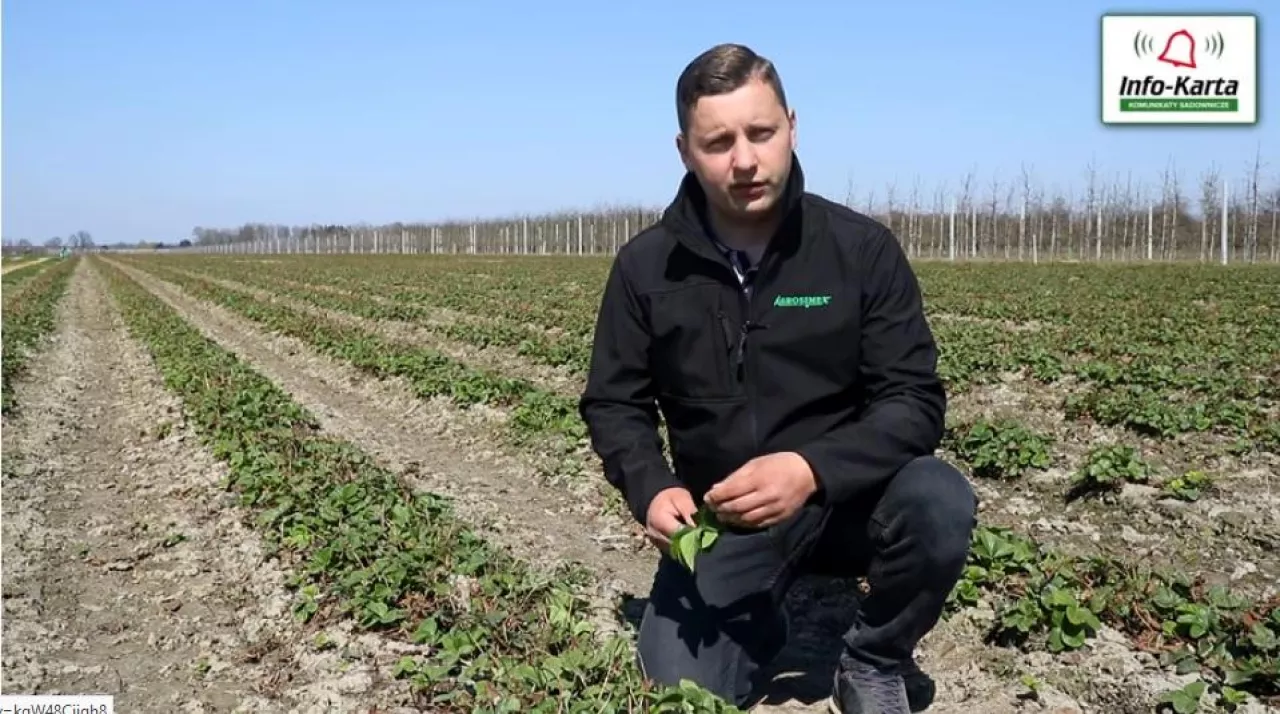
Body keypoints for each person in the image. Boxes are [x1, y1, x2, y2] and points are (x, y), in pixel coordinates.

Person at [578, 43, 978, 714]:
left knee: (937, 501)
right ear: (684, 150)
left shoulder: (859, 251)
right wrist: (650, 486)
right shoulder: (647, 268)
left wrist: (810, 468)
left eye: (761, 133)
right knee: (681, 690)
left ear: (792, 125)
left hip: (851, 500)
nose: (744, 160)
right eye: (718, 142)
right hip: (731, 517)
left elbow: (913, 401)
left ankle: (875, 658)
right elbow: (614, 402)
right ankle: (761, 619)